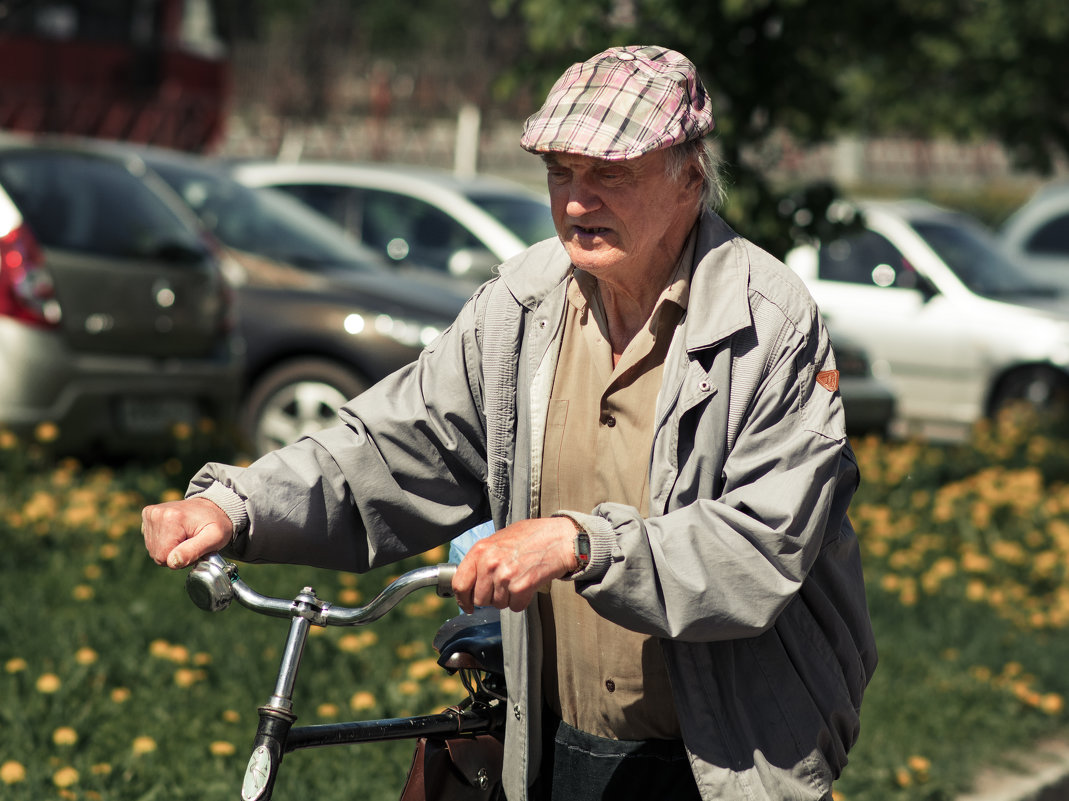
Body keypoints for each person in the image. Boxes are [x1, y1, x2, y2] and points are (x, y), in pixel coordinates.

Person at [142, 45, 877, 801]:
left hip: (722, 757)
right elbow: (401, 443)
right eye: (561, 172)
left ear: (688, 175)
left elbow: (757, 545)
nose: (577, 200)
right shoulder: (524, 303)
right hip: (552, 741)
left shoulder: (768, 320)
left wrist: (578, 541)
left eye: (609, 173)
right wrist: (236, 503)